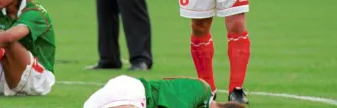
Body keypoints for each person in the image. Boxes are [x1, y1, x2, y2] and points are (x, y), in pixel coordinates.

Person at [83, 75, 247, 108]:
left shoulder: (202, 87)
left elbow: (167, 80)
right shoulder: (200, 92)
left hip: (131, 87)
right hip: (133, 94)